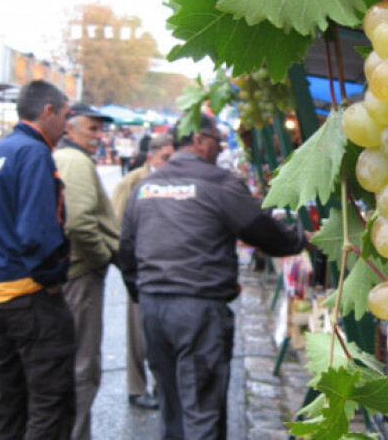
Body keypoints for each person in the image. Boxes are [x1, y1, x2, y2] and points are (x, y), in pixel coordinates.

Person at [118, 114, 311, 440]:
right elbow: (262, 231)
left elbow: (126, 251)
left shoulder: (146, 187)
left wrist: (145, 294)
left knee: (172, 406)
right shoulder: (218, 182)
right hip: (197, 308)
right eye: (217, 141)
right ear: (198, 140)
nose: (220, 148)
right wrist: (300, 238)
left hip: (152, 308)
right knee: (202, 411)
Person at [0, 80, 75, 439]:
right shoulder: (33, 153)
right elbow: (37, 230)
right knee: (49, 402)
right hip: (28, 296)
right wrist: (53, 275)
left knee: (9, 401)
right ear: (47, 111)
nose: (67, 124)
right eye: (64, 115)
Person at [53, 103, 119, 440]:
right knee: (83, 366)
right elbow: (79, 221)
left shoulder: (66, 157)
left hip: (69, 272)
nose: (98, 136)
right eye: (91, 129)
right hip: (79, 274)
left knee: (69, 363)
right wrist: (102, 256)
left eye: (99, 130)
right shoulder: (75, 161)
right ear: (69, 127)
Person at [110, 133, 174, 411]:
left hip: (168, 267)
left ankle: (163, 386)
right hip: (141, 267)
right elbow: (117, 226)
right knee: (138, 335)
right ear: (151, 157)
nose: (169, 164)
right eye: (165, 158)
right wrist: (128, 267)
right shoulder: (133, 181)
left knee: (163, 334)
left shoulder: (176, 180)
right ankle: (136, 388)